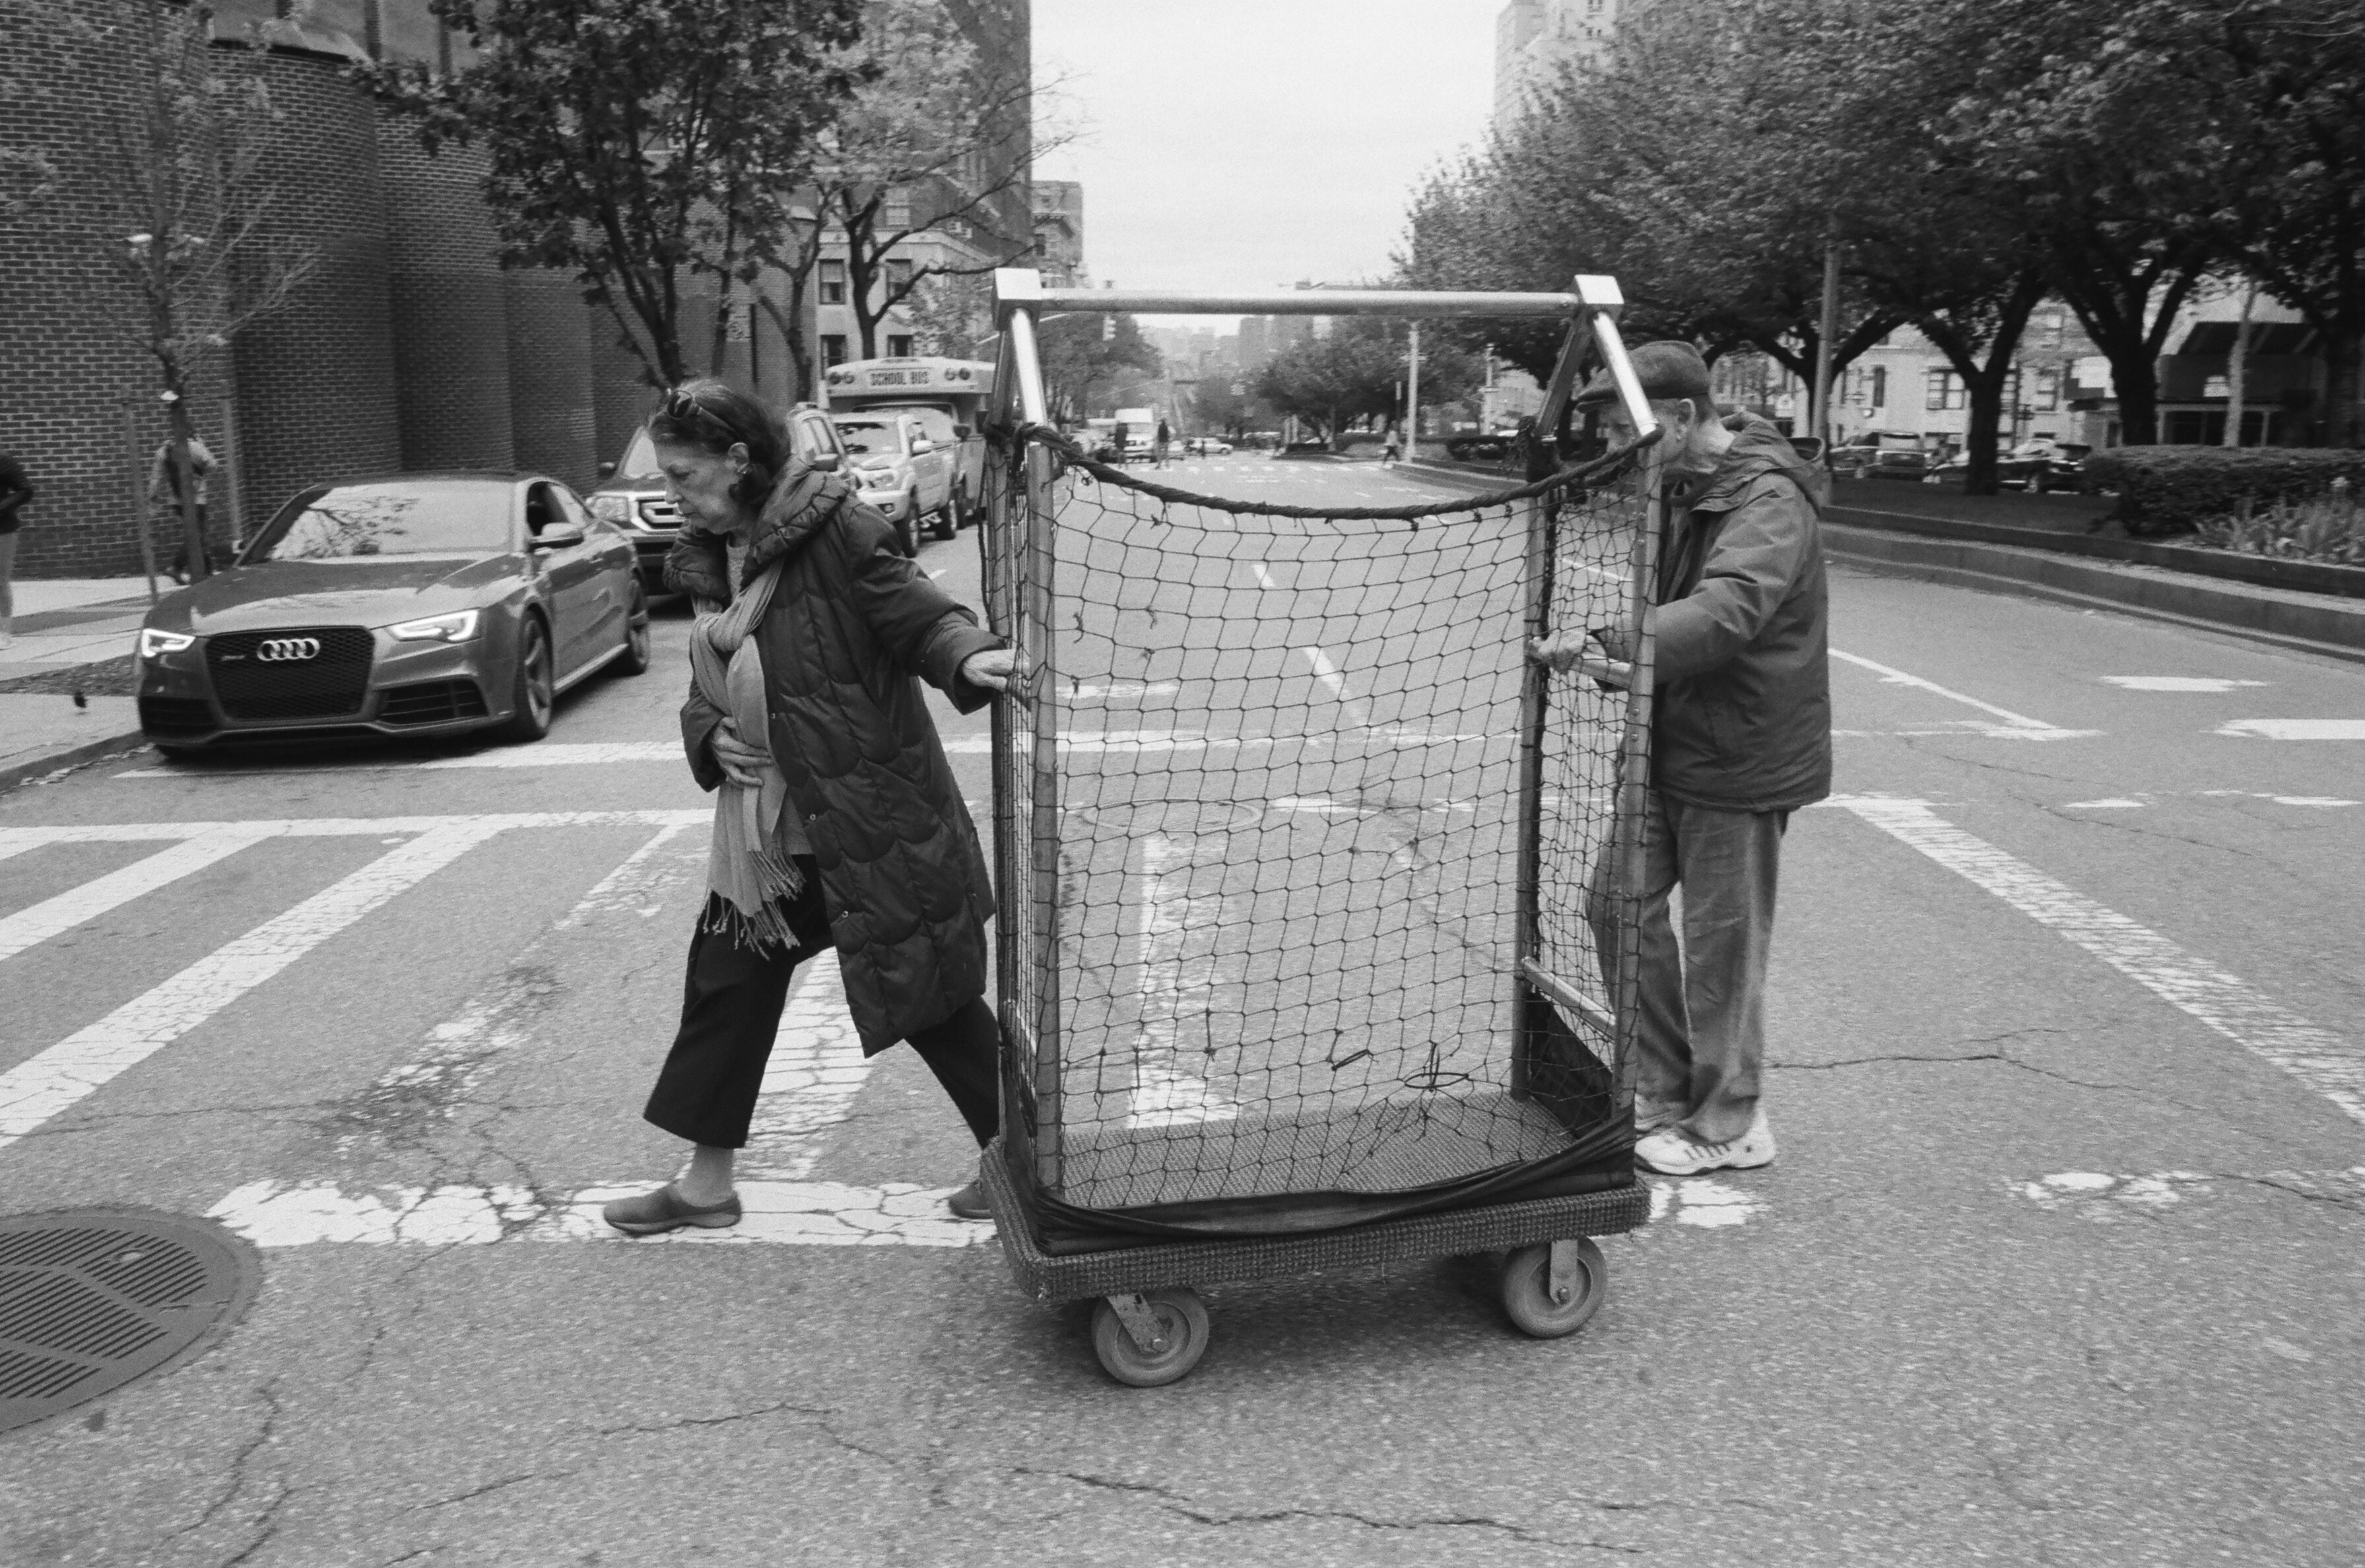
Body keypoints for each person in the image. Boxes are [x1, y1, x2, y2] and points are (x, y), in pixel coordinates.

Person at [602, 379, 1017, 1235]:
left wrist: (966, 656)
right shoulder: (715, 552)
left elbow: (917, 616)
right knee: (726, 986)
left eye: (682, 475)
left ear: (738, 462)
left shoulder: (837, 532)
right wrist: (706, 739)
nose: (670, 492)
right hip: (766, 839)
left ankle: (1016, 1156)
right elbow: (708, 683)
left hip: (863, 817)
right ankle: (706, 1185)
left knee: (929, 999)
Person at [1534, 340, 1830, 1179]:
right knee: (1614, 904)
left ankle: (1731, 1121)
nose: (1610, 454)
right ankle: (1664, 1091)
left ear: (1674, 418)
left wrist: (1610, 640)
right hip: (1671, 739)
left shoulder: (1768, 500)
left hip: (1741, 756)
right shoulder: (1684, 487)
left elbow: (1725, 612)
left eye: (1620, 433)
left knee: (1721, 949)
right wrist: (1610, 659)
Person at [148, 434, 219, 583]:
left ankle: (207, 571)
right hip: (196, 499)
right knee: (197, 535)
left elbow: (156, 478)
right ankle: (176, 567)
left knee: (196, 534)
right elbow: (213, 465)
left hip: (177, 501)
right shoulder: (195, 447)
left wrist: (153, 496)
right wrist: (200, 472)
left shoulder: (163, 451)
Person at [0, 449, 32, 649]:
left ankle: (4, 632)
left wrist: (2, 506)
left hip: (2, 529)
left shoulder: (4, 462)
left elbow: (26, 490)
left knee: (0, 580)